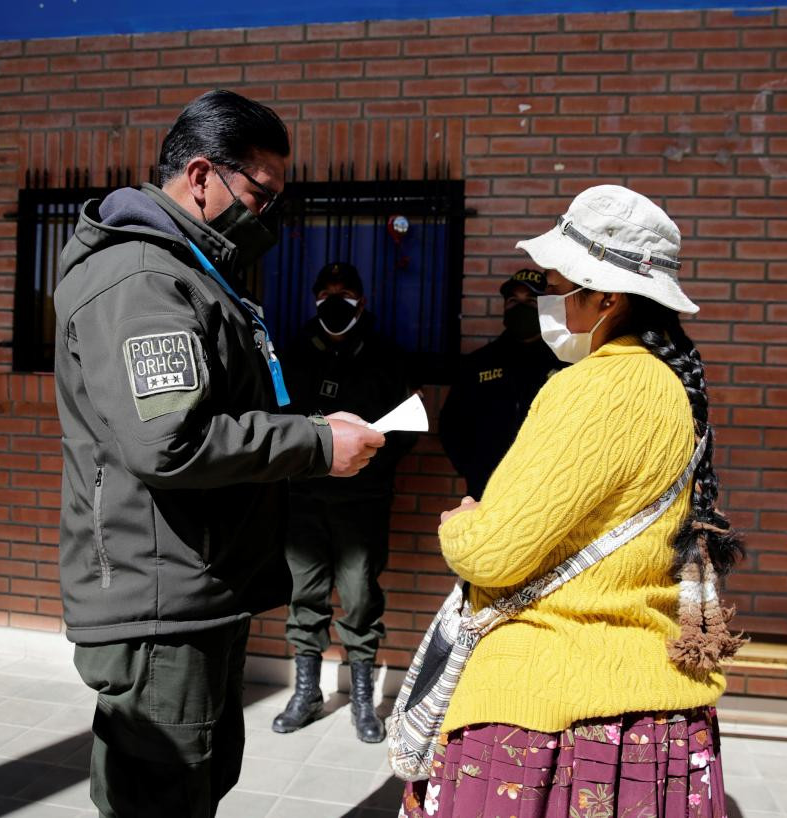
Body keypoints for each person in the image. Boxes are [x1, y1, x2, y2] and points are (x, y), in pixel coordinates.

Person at [52, 89, 385, 818]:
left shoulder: (191, 271)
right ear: (201, 176)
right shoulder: (144, 279)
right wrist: (317, 443)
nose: (267, 215)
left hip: (191, 586)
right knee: (164, 798)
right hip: (159, 602)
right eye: (259, 194)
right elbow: (169, 442)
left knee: (195, 787)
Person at [401, 185, 743, 818]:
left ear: (607, 296)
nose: (544, 304)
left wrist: (462, 524)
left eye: (556, 286)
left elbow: (495, 553)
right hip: (652, 701)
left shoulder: (592, 387)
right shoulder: (670, 384)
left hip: (549, 711)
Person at [272, 262, 417, 743]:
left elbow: (406, 427)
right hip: (304, 498)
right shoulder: (293, 353)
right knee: (304, 596)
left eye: (345, 291)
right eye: (326, 291)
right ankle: (307, 692)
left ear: (363, 299)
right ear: (314, 298)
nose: (335, 299)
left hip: (362, 501)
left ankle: (361, 700)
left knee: (359, 599)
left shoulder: (387, 356)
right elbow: (278, 421)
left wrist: (366, 461)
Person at [439, 269, 561, 499]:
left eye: (531, 301)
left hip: (547, 492)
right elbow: (451, 425)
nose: (520, 307)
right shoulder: (478, 363)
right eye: (513, 300)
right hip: (486, 491)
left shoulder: (565, 363)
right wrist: (475, 470)